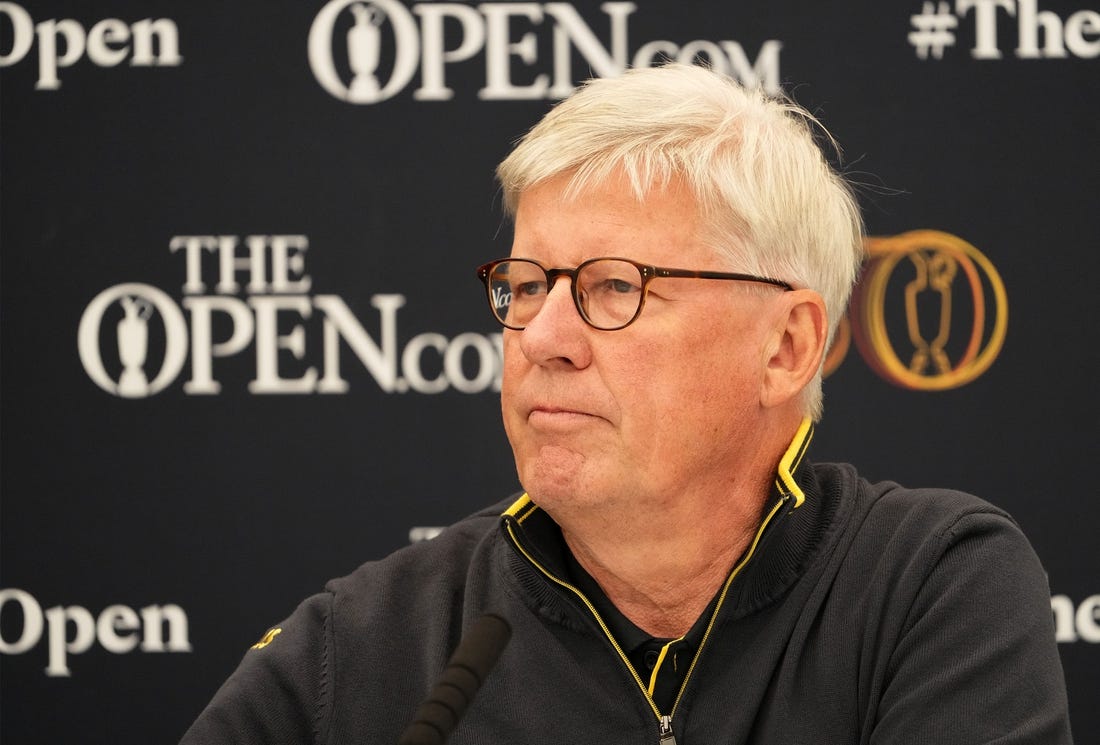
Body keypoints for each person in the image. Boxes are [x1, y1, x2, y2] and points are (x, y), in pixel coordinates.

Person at [180, 63, 1072, 744]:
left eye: (615, 286)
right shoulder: (370, 642)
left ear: (786, 345)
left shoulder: (928, 583)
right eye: (526, 285)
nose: (541, 337)